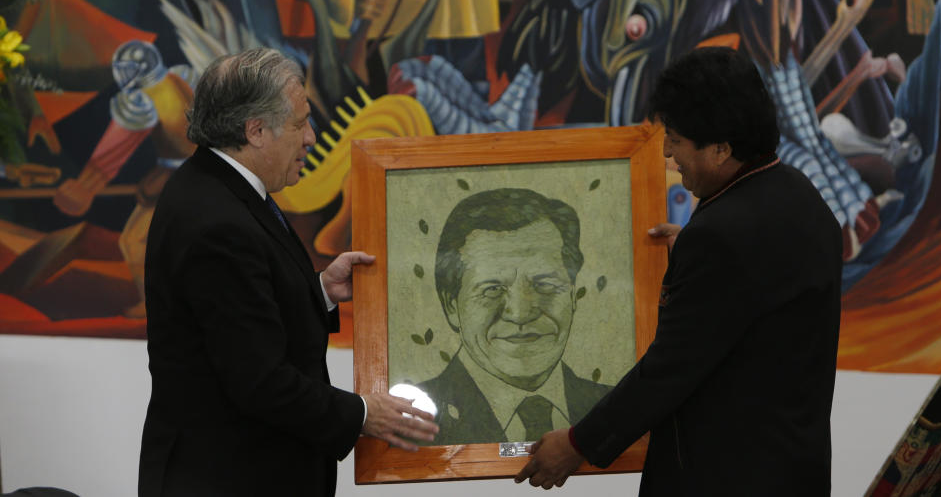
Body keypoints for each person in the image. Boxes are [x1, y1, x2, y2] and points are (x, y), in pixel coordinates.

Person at [516, 46, 843, 495]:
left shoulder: (722, 236)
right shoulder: (802, 199)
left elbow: (669, 370)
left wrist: (577, 442)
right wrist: (694, 251)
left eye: (675, 139)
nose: (668, 154)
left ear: (722, 148)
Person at [138, 47, 437, 497]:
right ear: (255, 130)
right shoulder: (217, 220)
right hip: (229, 478)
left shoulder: (218, 185)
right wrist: (362, 414)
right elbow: (258, 381)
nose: (312, 138)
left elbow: (244, 315)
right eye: (300, 123)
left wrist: (318, 292)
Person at [417, 188, 611, 445]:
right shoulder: (409, 420)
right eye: (492, 289)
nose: (520, 313)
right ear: (451, 305)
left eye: (545, 284)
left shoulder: (616, 409)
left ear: (573, 295)